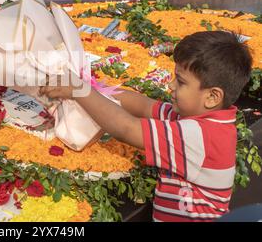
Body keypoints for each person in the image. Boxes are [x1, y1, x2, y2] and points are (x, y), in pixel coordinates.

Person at [39, 31, 253, 222]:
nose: (171, 85)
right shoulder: (199, 119)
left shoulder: (200, 135)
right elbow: (144, 105)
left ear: (212, 96)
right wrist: (99, 91)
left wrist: (80, 90)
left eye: (180, 81)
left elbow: (126, 129)